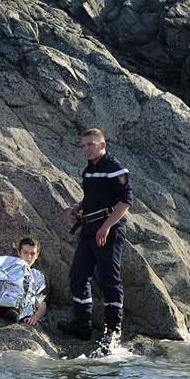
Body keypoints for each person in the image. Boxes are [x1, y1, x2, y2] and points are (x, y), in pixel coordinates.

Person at [57, 128, 132, 350]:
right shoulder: (89, 170)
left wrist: (107, 227)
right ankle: (82, 325)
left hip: (109, 231)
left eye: (90, 145)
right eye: (83, 146)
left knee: (110, 279)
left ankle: (113, 332)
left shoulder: (115, 169)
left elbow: (125, 202)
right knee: (78, 275)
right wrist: (78, 207)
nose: (86, 149)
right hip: (88, 228)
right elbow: (92, 196)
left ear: (102, 144)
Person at [0, 237, 49, 326]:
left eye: (32, 254)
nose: (28, 257)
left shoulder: (38, 276)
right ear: (19, 252)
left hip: (13, 309)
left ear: (37, 255)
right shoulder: (6, 265)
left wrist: (35, 318)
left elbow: (42, 302)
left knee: (13, 314)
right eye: (25, 252)